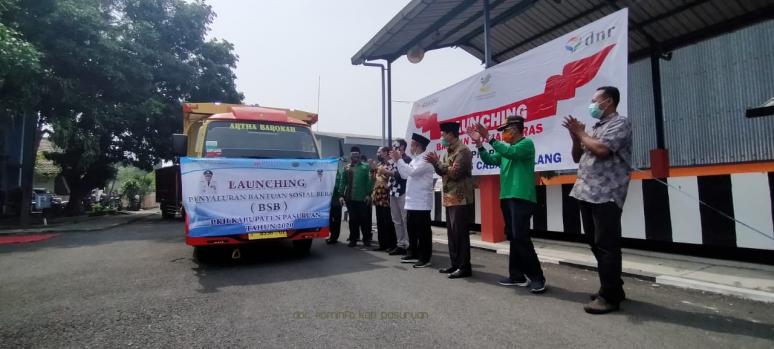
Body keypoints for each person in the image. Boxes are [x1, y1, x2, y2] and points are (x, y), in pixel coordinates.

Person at [562, 86, 632, 314]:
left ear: (608, 101)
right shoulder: (596, 128)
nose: (592, 105)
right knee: (595, 243)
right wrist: (575, 137)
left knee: (607, 245)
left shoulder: (620, 123)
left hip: (607, 194)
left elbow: (602, 150)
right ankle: (613, 287)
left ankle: (610, 296)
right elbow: (577, 156)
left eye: (595, 101)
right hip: (586, 192)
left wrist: (582, 133)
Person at [469, 116, 546, 293]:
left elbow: (512, 153)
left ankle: (537, 278)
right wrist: (480, 144)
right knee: (513, 237)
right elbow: (490, 159)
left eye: (506, 129)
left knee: (521, 237)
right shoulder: (506, 149)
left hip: (522, 196)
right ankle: (517, 276)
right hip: (507, 196)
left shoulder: (526, 144)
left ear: (516, 129)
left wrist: (489, 137)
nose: (503, 133)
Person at [426, 121, 475, 279]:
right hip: (449, 197)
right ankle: (455, 264)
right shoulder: (447, 152)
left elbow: (454, 173)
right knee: (452, 234)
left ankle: (464, 267)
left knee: (460, 234)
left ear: (451, 134)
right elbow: (442, 172)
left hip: (460, 198)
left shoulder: (463, 151)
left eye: (443, 135)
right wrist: (435, 164)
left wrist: (437, 162)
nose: (441, 138)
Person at [393, 133, 435, 268]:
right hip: (411, 201)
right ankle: (414, 253)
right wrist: (398, 161)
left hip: (421, 202)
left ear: (418, 146)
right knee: (412, 230)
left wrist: (399, 160)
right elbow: (405, 175)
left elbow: (411, 173)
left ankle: (425, 258)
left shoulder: (426, 159)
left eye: (412, 145)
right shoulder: (415, 159)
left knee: (423, 232)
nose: (410, 147)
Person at [381, 139, 412, 256]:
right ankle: (400, 244)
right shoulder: (391, 160)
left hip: (403, 192)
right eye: (392, 146)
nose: (393, 148)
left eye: (396, 146)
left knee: (405, 220)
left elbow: (405, 176)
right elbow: (387, 175)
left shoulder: (407, 160)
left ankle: (408, 245)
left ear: (403, 147)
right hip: (392, 192)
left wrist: (390, 173)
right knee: (396, 220)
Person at [340, 147, 374, 247]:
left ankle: (366, 239)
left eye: (357, 154)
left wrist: (369, 194)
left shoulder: (366, 167)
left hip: (363, 198)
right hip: (350, 198)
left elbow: (370, 181)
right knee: (353, 220)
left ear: (359, 155)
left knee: (364, 220)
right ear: (350, 155)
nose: (355, 156)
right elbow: (343, 182)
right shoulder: (346, 168)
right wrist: (341, 195)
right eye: (353, 154)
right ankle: (353, 239)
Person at [371, 147, 396, 251]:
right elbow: (374, 179)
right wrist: (373, 169)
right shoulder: (379, 165)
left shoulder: (390, 165)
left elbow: (391, 179)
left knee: (388, 222)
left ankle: (391, 245)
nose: (378, 154)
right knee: (380, 222)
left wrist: (383, 172)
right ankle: (382, 244)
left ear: (386, 153)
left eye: (379, 152)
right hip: (378, 197)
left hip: (386, 196)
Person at [327, 158, 346, 244]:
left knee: (337, 220)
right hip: (328, 201)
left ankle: (334, 237)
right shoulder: (327, 174)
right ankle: (332, 234)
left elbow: (341, 186)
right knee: (329, 219)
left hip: (337, 200)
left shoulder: (341, 174)